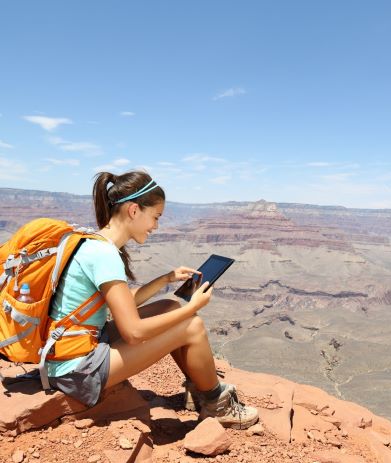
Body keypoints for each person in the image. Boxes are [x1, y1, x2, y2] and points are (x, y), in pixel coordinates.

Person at [47, 170, 259, 430]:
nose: (156, 226)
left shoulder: (95, 242)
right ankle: (218, 405)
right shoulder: (105, 255)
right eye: (155, 217)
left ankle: (200, 389)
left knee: (169, 306)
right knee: (191, 325)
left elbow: (123, 302)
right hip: (77, 370)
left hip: (75, 349)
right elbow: (134, 332)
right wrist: (192, 308)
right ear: (134, 210)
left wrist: (165, 279)